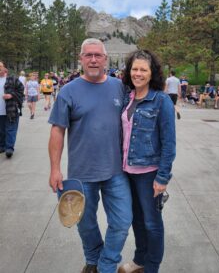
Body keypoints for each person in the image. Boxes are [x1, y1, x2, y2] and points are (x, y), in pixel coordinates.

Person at [48, 38, 132, 273]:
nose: (93, 60)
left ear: (105, 59)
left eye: (98, 55)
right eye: (88, 55)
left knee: (123, 221)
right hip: (82, 173)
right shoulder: (68, 91)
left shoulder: (119, 87)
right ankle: (93, 260)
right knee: (85, 223)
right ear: (81, 59)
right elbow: (57, 130)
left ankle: (104, 265)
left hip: (116, 171)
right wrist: (55, 169)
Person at [118, 50, 176, 273]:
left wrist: (162, 177)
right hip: (126, 171)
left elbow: (169, 143)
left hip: (149, 173)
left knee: (152, 223)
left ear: (152, 73)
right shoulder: (128, 97)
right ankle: (139, 260)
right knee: (137, 221)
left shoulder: (161, 101)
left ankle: (152, 267)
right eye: (134, 68)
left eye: (143, 69)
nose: (138, 73)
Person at [0, 61, 24, 158]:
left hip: (11, 110)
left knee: (10, 129)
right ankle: (2, 146)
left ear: (4, 68)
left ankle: (9, 148)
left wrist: (11, 95)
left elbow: (21, 90)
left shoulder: (12, 79)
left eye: (0, 67)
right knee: (1, 131)